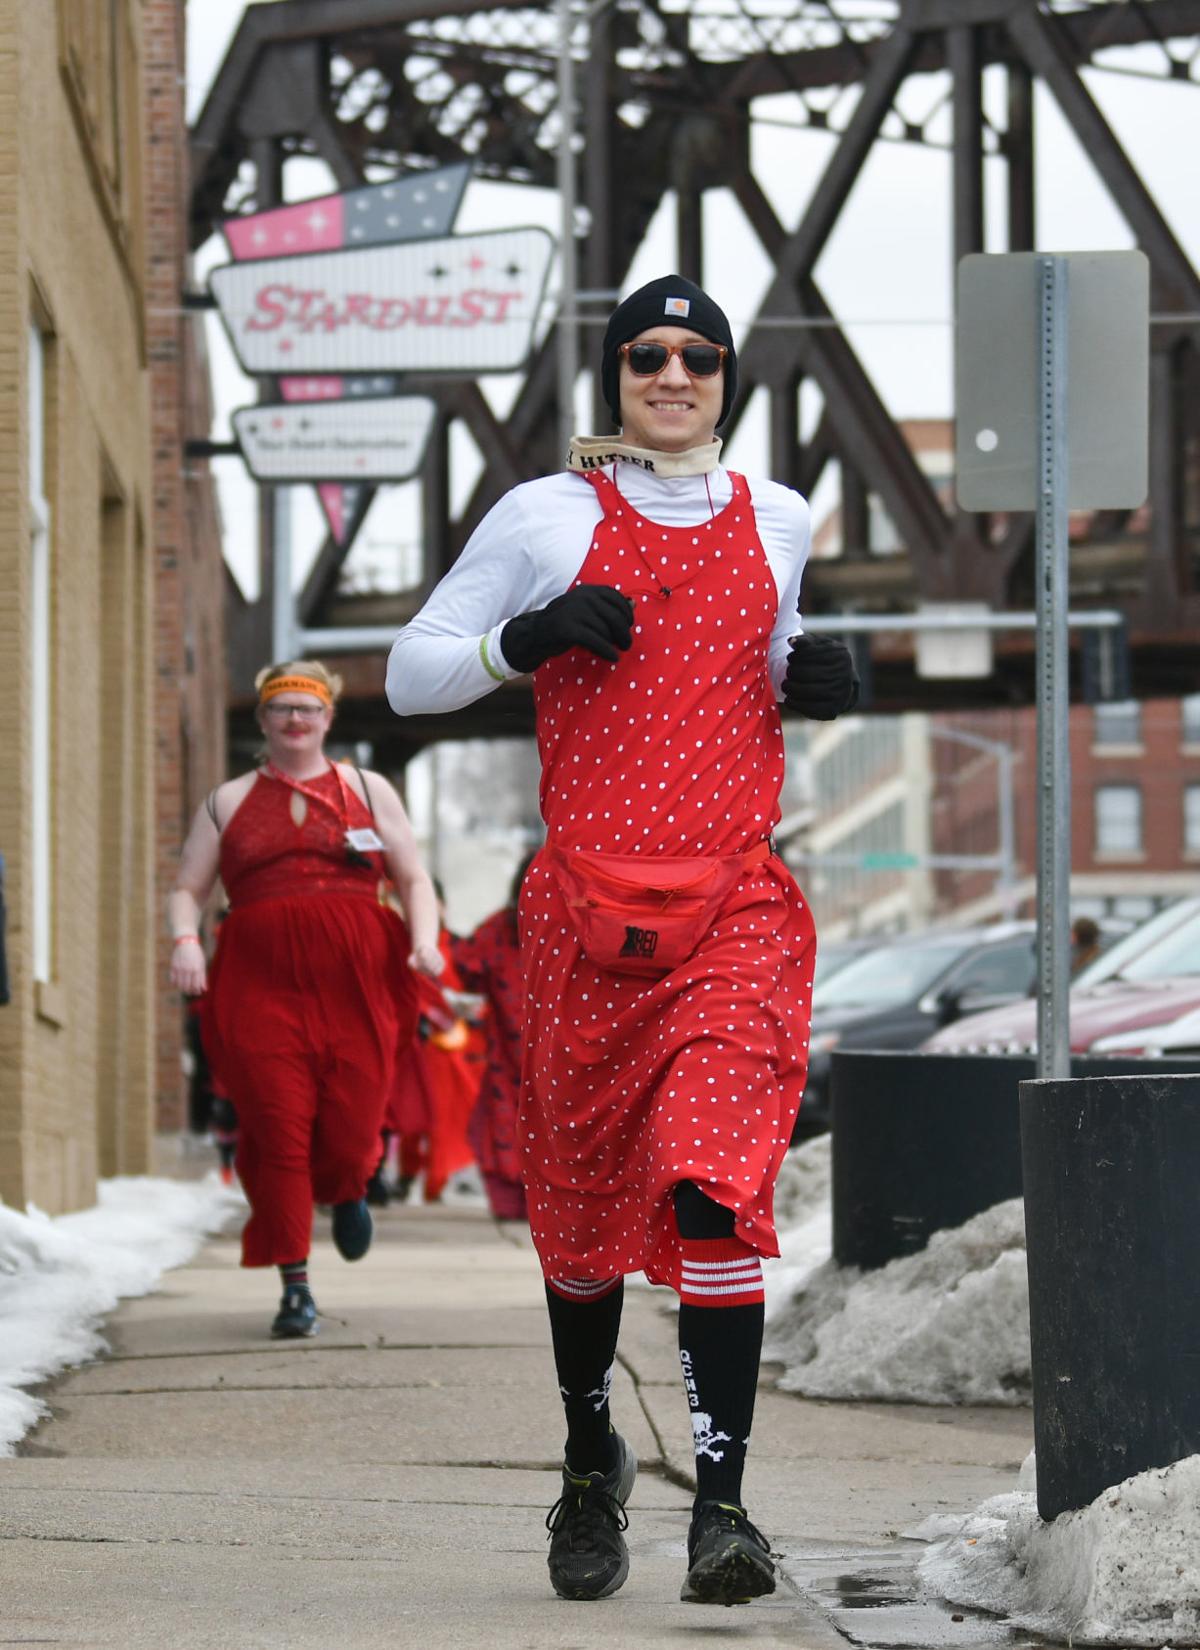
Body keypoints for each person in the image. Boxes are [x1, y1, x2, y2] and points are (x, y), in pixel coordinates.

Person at [386, 275, 857, 1607]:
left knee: (715, 1183)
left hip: (731, 908)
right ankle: (592, 1454)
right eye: (645, 354)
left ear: (723, 377)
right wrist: (519, 637)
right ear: (615, 374)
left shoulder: (779, 513)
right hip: (586, 922)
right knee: (582, 1225)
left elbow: (767, 662)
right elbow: (414, 673)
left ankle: (723, 1504)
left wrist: (822, 673)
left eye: (698, 356)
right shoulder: (542, 516)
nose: (673, 372)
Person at [168, 660, 443, 1340]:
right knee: (278, 1127)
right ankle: (295, 1286)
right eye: (281, 709)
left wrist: (426, 942)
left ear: (327, 718)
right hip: (259, 985)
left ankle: (350, 1188)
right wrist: (185, 939)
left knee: (351, 1133)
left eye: (307, 709)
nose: (295, 720)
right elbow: (188, 888)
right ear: (262, 720)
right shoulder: (227, 801)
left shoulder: (367, 790)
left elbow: (413, 879)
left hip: (356, 981)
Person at [453, 852, 534, 1222]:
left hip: (547, 1058)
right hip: (512, 1056)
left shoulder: (504, 928)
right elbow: (461, 968)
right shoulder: (502, 929)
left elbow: (464, 967)